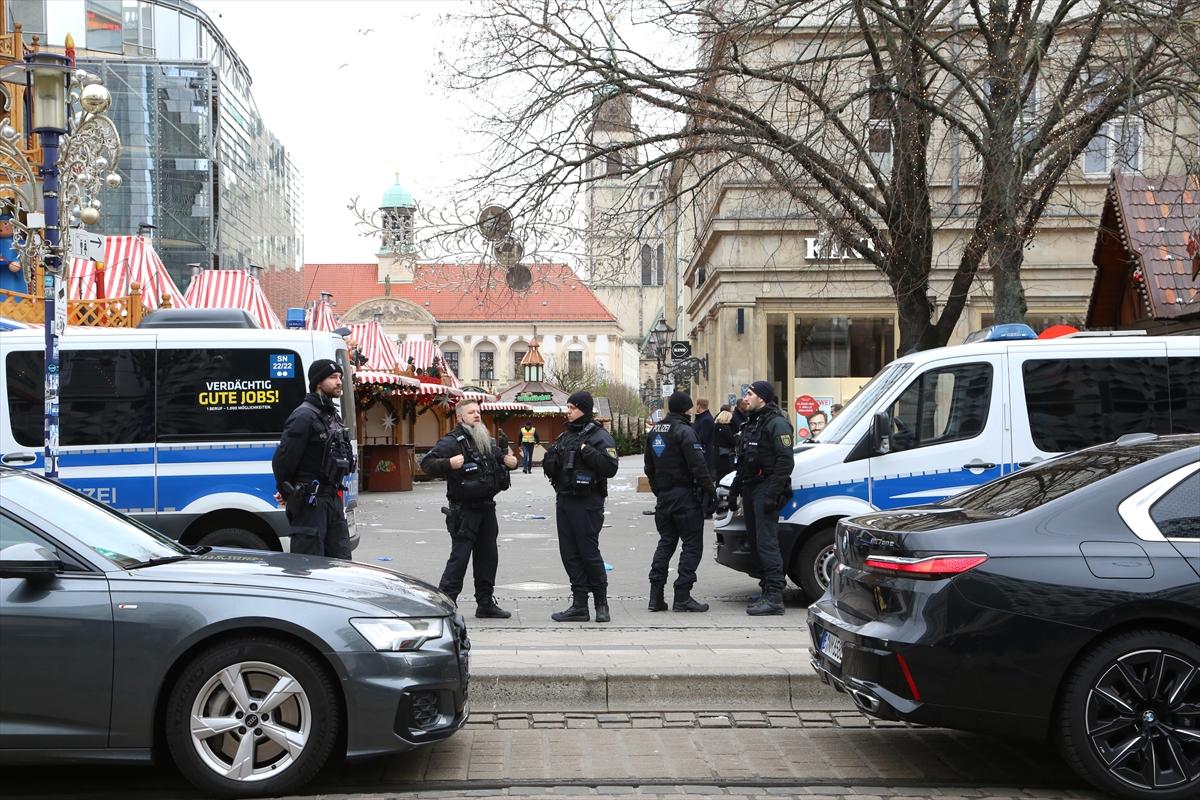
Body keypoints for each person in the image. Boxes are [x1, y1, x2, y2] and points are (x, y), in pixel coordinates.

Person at [421, 399, 519, 618]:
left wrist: (509, 461)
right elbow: (426, 464)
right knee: (460, 558)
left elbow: (498, 461)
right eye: (471, 412)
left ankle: (485, 603)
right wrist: (448, 464)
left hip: (487, 508)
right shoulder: (452, 441)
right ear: (460, 417)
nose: (476, 415)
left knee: (488, 557)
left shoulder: (486, 439)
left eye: (478, 411)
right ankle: (445, 604)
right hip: (464, 510)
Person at [542, 391, 620, 623]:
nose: (569, 411)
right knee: (570, 553)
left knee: (588, 552)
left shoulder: (599, 436)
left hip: (587, 502)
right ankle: (579, 605)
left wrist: (587, 451)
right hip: (565, 499)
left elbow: (610, 467)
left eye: (573, 407)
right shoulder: (565, 435)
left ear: (584, 409)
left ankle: (601, 604)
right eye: (568, 407)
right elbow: (553, 467)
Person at [272, 359, 357, 559]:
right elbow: (282, 460)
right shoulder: (304, 416)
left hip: (332, 500)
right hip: (310, 504)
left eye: (340, 377)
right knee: (309, 566)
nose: (339, 382)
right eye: (333, 377)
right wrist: (287, 491)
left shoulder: (331, 415)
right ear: (318, 382)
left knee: (341, 562)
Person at [644, 391, 716, 613]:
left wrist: (659, 490)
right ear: (686, 409)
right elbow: (698, 466)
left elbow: (649, 467)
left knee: (666, 542)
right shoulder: (685, 431)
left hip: (664, 497)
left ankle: (655, 597)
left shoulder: (655, 430)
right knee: (692, 545)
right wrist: (710, 492)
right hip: (684, 496)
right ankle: (682, 595)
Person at [729, 381, 794, 616]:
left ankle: (775, 596)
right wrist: (734, 492)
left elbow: (785, 462)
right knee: (757, 544)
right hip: (751, 487)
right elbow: (744, 461)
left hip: (765, 487)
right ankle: (767, 590)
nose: (745, 397)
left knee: (767, 544)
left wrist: (772, 493)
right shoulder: (753, 422)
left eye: (750, 394)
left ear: (762, 398)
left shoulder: (776, 423)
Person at [690, 397, 717, 479]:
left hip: (705, 454)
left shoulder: (706, 419)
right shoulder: (702, 418)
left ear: (699, 406)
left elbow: (701, 438)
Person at [713, 406, 737, 479]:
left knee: (718, 475)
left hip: (716, 453)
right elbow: (732, 442)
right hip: (725, 455)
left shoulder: (716, 427)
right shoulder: (726, 429)